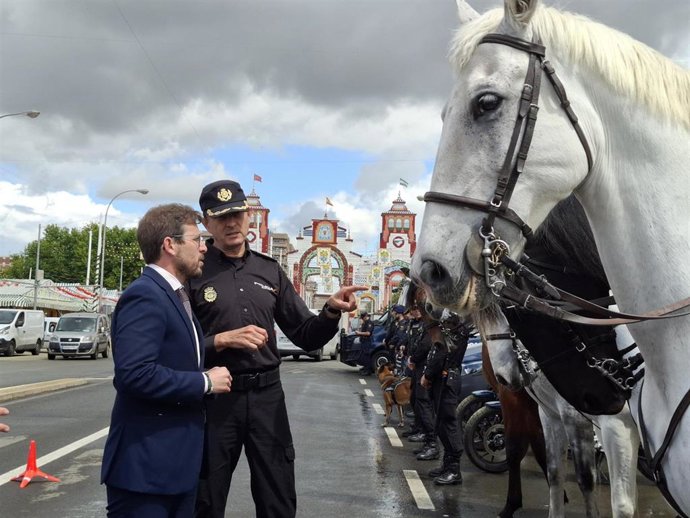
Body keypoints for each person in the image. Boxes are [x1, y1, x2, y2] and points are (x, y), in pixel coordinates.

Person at [188, 179, 365, 518]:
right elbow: (178, 343)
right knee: (205, 498)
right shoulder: (194, 270)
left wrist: (329, 310)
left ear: (247, 215)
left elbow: (305, 334)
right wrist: (220, 341)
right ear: (205, 222)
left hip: (267, 398)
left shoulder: (269, 270)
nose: (231, 223)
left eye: (237, 214)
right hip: (215, 401)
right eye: (221, 217)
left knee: (277, 497)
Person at [101, 203, 232, 518]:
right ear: (170, 245)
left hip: (175, 469)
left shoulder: (174, 295)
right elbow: (134, 374)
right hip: (146, 473)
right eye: (197, 239)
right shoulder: (145, 295)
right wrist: (204, 381)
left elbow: (177, 354)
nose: (205, 247)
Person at [420, 311, 471, 485]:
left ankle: (454, 470)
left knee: (448, 422)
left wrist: (427, 374)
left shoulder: (455, 332)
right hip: (442, 379)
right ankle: (447, 464)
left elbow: (440, 354)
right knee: (441, 423)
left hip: (447, 380)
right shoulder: (449, 331)